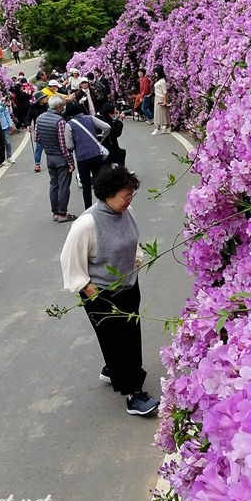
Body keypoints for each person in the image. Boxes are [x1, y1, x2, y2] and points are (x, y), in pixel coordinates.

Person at [60, 165, 159, 417]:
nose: (130, 200)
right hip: (100, 292)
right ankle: (133, 394)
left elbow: (132, 242)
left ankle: (113, 371)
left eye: (131, 195)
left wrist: (136, 261)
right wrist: (89, 290)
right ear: (109, 193)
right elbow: (70, 261)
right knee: (119, 341)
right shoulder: (87, 224)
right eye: (126, 195)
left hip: (128, 285)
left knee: (130, 333)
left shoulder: (127, 212)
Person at [35, 95, 76, 222]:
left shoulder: (39, 119)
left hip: (49, 157)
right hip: (61, 158)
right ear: (58, 107)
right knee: (64, 186)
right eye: (62, 106)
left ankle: (55, 212)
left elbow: (37, 138)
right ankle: (63, 213)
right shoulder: (60, 121)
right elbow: (64, 145)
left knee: (54, 184)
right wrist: (70, 162)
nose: (63, 108)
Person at [64, 100, 111, 210]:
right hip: (96, 154)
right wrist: (101, 137)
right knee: (100, 182)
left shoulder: (69, 125)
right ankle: (104, 205)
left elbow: (69, 145)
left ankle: (88, 209)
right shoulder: (91, 118)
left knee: (86, 186)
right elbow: (107, 127)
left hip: (82, 158)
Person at [97, 102, 126, 167]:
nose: (115, 115)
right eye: (115, 113)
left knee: (121, 152)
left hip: (99, 148)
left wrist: (116, 119)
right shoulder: (106, 124)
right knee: (120, 153)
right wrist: (119, 122)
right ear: (109, 114)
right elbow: (116, 133)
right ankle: (120, 172)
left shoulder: (98, 118)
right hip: (106, 149)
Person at [151, 66, 170, 135]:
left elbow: (165, 92)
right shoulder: (159, 81)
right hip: (157, 97)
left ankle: (158, 129)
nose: (155, 74)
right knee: (161, 113)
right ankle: (166, 127)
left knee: (159, 113)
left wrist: (165, 101)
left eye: (156, 72)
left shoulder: (162, 81)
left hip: (160, 98)